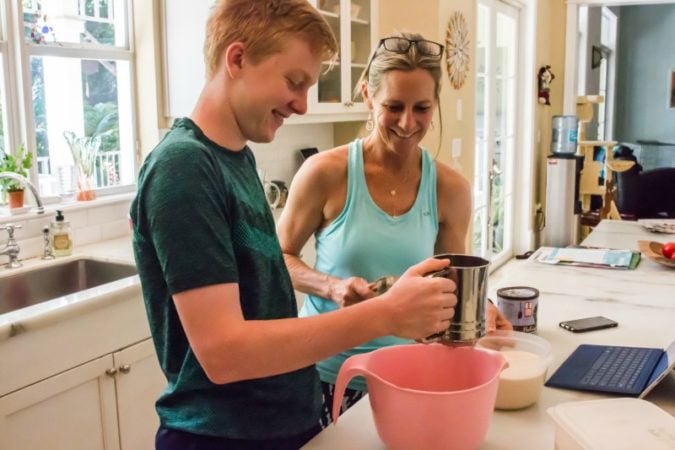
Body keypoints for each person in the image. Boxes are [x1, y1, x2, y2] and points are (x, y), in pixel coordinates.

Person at [130, 3, 458, 449]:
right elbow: (224, 354)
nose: (302, 104)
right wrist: (384, 313)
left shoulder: (234, 157)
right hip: (220, 437)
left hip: (280, 424)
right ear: (237, 59)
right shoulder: (184, 167)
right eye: (294, 81)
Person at [276, 32, 513, 427]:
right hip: (326, 376)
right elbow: (277, 257)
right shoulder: (324, 174)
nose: (407, 123)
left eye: (422, 107)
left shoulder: (450, 190)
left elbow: (452, 283)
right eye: (394, 106)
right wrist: (330, 286)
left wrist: (482, 310)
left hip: (410, 377)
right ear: (368, 95)